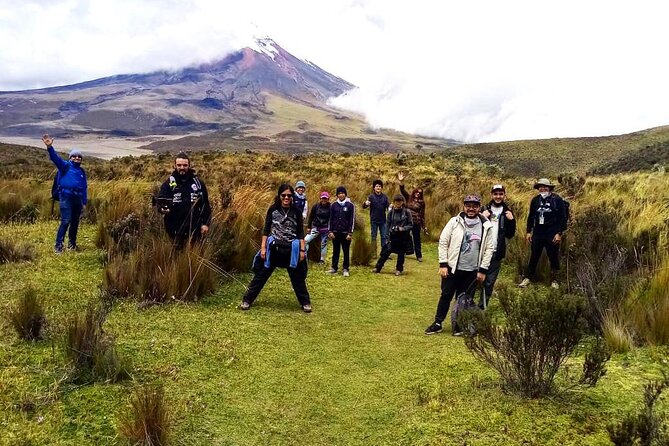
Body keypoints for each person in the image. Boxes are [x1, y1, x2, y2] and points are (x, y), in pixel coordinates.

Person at [425, 194, 496, 335]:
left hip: (472, 270)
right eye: (468, 205)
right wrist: (443, 264)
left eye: (474, 206)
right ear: (463, 206)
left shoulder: (486, 226)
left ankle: (458, 324)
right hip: (452, 268)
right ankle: (438, 322)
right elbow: (443, 242)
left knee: (463, 298)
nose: (471, 209)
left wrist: (482, 270)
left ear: (479, 207)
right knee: (446, 295)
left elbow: (489, 249)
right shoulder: (454, 222)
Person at [240, 184, 312, 312]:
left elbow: (300, 232)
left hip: (291, 250)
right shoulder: (273, 209)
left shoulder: (296, 211)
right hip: (274, 248)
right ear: (279, 196)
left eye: (289, 195)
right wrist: (263, 248)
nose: (286, 198)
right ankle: (247, 300)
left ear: (292, 197)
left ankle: (305, 302)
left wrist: (302, 250)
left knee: (297, 277)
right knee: (261, 275)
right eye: (283, 195)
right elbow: (266, 229)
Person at [42, 134, 88, 254]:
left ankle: (72, 244)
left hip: (77, 199)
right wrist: (49, 147)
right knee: (66, 221)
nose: (77, 158)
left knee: (75, 222)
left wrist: (84, 202)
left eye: (79, 156)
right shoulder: (65, 166)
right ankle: (58, 246)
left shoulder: (82, 171)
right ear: (70, 158)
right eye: (74, 156)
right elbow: (55, 158)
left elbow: (84, 187)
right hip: (66, 197)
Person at [518, 178, 568, 289]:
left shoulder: (557, 200)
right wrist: (528, 231)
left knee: (553, 256)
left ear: (550, 188)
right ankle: (528, 278)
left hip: (552, 232)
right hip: (538, 232)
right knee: (534, 256)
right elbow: (531, 216)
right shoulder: (535, 200)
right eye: (540, 187)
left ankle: (555, 280)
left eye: (545, 186)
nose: (542, 188)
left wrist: (559, 233)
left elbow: (563, 218)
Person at [157, 152, 211, 247]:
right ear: (174, 166)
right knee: (176, 256)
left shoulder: (198, 183)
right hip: (174, 228)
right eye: (179, 165)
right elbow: (161, 201)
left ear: (189, 166)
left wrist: (205, 224)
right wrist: (162, 209)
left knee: (194, 255)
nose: (182, 167)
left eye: (185, 165)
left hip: (194, 228)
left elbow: (205, 204)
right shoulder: (168, 183)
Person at [479, 184, 516, 308]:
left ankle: (482, 308)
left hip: (496, 251)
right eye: (496, 194)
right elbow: (475, 229)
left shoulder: (508, 212)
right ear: (491, 195)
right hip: (480, 251)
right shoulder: (484, 209)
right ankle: (466, 305)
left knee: (489, 282)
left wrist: (512, 221)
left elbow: (510, 234)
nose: (498, 196)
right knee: (475, 279)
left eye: (501, 194)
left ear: (504, 195)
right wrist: (482, 217)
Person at [372, 194, 413, 276]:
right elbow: (387, 225)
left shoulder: (407, 212)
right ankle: (378, 267)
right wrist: (387, 236)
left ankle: (399, 269)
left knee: (401, 254)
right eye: (396, 201)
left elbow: (411, 225)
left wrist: (402, 228)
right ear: (393, 202)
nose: (398, 203)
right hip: (393, 236)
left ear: (402, 202)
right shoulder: (391, 212)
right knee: (385, 252)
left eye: (399, 201)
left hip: (403, 236)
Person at [398, 171, 427, 262]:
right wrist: (401, 182)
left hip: (416, 222)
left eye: (420, 193)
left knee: (417, 238)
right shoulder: (409, 198)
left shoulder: (422, 203)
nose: (418, 193)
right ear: (414, 192)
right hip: (407, 221)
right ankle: (404, 251)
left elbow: (422, 214)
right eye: (417, 192)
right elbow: (402, 190)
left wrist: (424, 226)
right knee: (404, 236)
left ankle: (419, 256)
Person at [327, 186, 355, 277]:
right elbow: (330, 219)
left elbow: (352, 219)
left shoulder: (350, 205)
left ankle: (345, 268)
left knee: (346, 251)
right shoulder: (333, 205)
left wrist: (350, 233)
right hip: (335, 232)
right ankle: (334, 268)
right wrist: (330, 231)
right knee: (335, 251)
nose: (341, 195)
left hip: (345, 233)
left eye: (342, 193)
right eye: (339, 193)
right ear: (337, 195)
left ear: (345, 194)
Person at [362, 179, 390, 255]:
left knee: (384, 236)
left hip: (383, 220)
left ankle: (384, 252)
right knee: (373, 236)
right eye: (376, 186)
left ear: (381, 188)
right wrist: (365, 203)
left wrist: (391, 208)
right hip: (374, 220)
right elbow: (364, 206)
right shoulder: (371, 197)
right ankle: (373, 253)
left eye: (379, 186)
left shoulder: (385, 197)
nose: (378, 187)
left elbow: (389, 207)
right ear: (374, 188)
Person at [305, 191, 332, 264]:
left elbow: (331, 219)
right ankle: (305, 257)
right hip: (316, 227)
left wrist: (330, 230)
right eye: (323, 198)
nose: (324, 200)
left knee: (323, 244)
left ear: (328, 199)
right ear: (320, 198)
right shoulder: (315, 206)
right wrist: (309, 227)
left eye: (325, 199)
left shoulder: (331, 207)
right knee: (305, 241)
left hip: (326, 229)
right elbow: (311, 217)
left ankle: (322, 260)